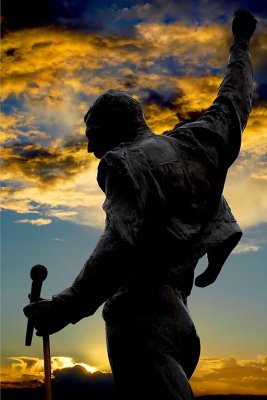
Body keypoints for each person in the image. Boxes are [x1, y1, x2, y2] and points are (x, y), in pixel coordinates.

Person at [24, 10, 257, 399]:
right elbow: (235, 98)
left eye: (93, 135)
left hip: (140, 319)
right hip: (179, 322)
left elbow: (118, 245)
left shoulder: (124, 163)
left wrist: (64, 308)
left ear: (113, 128)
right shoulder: (197, 142)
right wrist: (241, 44)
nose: (89, 147)